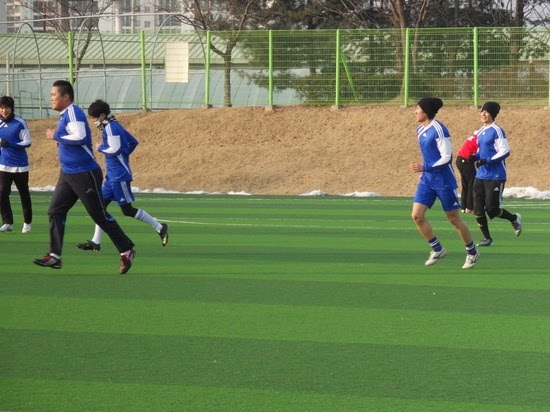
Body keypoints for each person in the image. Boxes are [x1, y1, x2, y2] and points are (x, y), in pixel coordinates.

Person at [33, 80, 136, 274]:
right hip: (68, 173)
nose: (51, 98)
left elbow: (80, 137)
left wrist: (55, 135)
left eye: (53, 95)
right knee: (55, 210)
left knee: (99, 214)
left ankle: (126, 249)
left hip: (84, 173)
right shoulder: (65, 115)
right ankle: (55, 256)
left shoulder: (73, 112)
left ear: (66, 97)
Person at [76, 99, 168, 252]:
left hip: (119, 176)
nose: (93, 122)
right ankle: (95, 242)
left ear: (102, 116)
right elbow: (132, 142)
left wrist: (100, 148)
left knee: (127, 210)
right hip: (112, 176)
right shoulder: (113, 126)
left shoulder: (111, 128)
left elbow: (115, 149)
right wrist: (123, 156)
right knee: (99, 208)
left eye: (94, 118)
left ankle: (160, 227)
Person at [409, 97, 480, 269]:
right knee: (417, 216)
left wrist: (424, 167)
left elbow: (447, 157)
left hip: (443, 181)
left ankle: (472, 252)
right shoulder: (420, 130)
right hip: (427, 180)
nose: (415, 111)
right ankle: (437, 248)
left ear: (426, 111)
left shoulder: (439, 129)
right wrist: (424, 172)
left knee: (454, 219)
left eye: (418, 108)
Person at [469, 101, 522, 247]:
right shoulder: (480, 131)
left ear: (492, 114)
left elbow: (504, 151)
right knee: (478, 209)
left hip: (496, 176)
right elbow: (483, 150)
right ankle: (487, 238)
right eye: (482, 111)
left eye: (486, 112)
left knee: (491, 209)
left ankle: (514, 218)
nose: (483, 114)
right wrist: (475, 156)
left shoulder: (497, 130)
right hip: (480, 176)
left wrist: (486, 161)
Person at [0, 96, 33, 234]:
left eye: (7, 108)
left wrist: (11, 144)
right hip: (3, 165)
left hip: (20, 166)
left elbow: (28, 142)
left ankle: (27, 223)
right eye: (1, 108)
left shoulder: (20, 122)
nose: (4, 110)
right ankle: (8, 222)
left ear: (12, 108)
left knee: (24, 194)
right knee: (1, 194)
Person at [455, 132, 478, 214]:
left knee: (465, 184)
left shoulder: (473, 137)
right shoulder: (479, 138)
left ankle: (464, 207)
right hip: (466, 160)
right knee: (471, 183)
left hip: (460, 159)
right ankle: (470, 207)